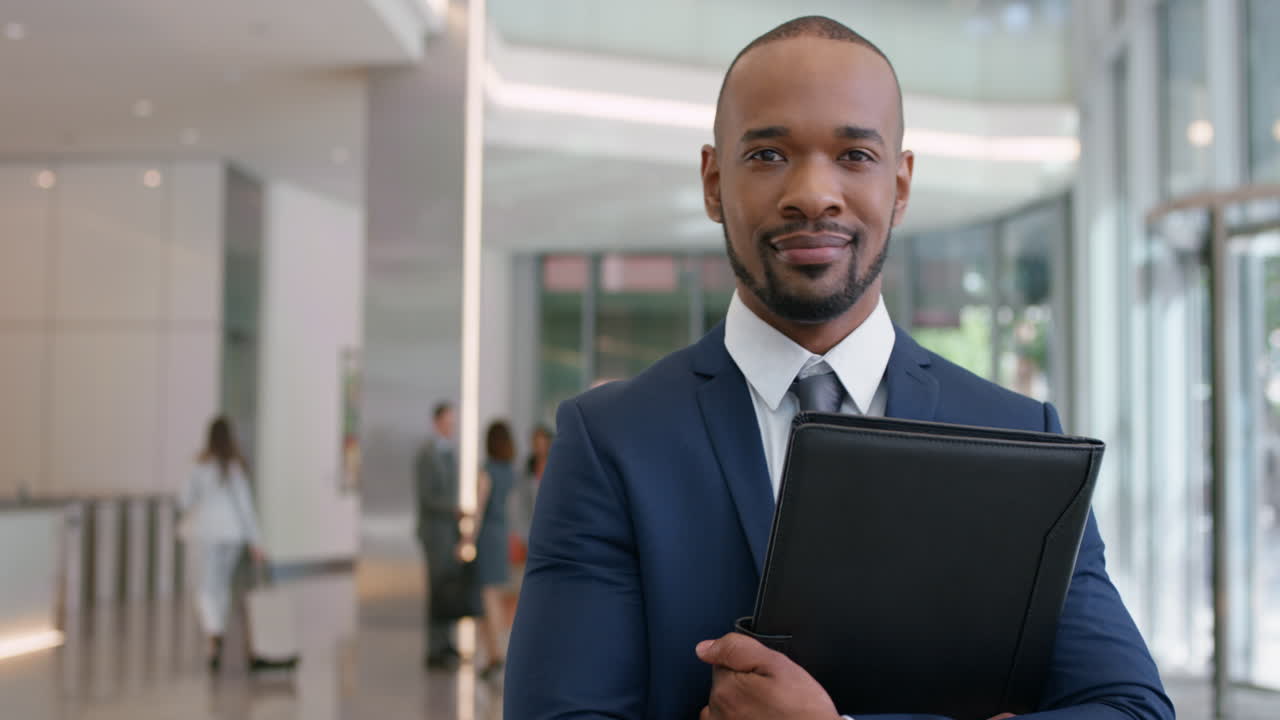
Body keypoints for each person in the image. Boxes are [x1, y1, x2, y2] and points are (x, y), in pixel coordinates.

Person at [506, 16, 1174, 720]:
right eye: (767, 154)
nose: (813, 193)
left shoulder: (1017, 433)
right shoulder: (612, 443)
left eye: (854, 155)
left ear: (901, 183)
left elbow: (1130, 710)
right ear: (712, 181)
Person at [178, 416, 264, 671]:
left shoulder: (199, 465)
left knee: (205, 587)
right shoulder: (236, 467)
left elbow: (183, 500)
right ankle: (219, 630)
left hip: (207, 532)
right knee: (222, 586)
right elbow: (246, 507)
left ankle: (213, 631)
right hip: (234, 535)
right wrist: (256, 541)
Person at [414, 401, 461, 670]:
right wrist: (452, 510)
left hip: (449, 532)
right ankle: (433, 647)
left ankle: (446, 642)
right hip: (433, 532)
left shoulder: (450, 454)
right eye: (446, 422)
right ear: (437, 423)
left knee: (448, 587)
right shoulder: (427, 455)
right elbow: (427, 496)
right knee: (436, 589)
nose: (450, 427)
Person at [472, 420, 516, 680]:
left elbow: (479, 510)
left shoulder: (487, 471)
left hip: (488, 536)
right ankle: (492, 654)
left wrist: (468, 539)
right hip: (503, 534)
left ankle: (498, 653)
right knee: (496, 594)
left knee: (488, 596)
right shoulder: (510, 472)